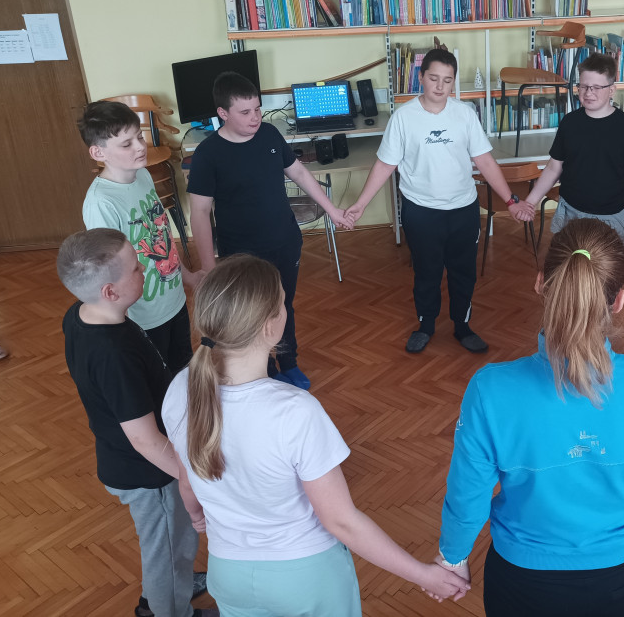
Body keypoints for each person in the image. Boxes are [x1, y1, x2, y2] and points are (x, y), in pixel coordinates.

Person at [160, 254, 469, 616]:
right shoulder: (295, 411)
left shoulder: (181, 388)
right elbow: (341, 521)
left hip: (228, 573)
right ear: (269, 327)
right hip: (305, 578)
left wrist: (197, 515)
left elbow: (187, 482)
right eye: (282, 302)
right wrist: (423, 575)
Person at [437, 219, 624, 617]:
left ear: (541, 284)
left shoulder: (489, 389)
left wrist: (453, 556)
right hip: (618, 581)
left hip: (521, 582)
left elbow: (468, 491)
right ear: (618, 300)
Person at [57, 228, 214, 617]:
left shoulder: (80, 314)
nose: (144, 268)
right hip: (150, 475)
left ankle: (171, 588)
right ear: (110, 291)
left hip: (129, 459)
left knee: (170, 550)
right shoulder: (114, 355)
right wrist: (189, 476)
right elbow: (144, 439)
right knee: (168, 552)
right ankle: (168, 609)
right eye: (135, 268)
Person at [344, 49, 519, 355]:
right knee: (427, 273)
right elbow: (386, 164)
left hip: (463, 209)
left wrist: (510, 199)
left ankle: (462, 326)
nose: (440, 86)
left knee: (463, 273)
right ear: (421, 77)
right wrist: (360, 204)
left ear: (453, 83)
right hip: (421, 211)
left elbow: (485, 161)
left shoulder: (465, 114)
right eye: (434, 78)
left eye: (447, 80)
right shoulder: (403, 117)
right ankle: (425, 325)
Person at [187, 72, 348, 390]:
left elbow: (299, 173)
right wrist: (209, 267)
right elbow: (200, 213)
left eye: (258, 109)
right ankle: (265, 369)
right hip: (241, 253)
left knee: (283, 305)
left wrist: (332, 211)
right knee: (251, 313)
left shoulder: (270, 135)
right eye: (245, 112)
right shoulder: (208, 154)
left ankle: (289, 363)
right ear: (223, 113)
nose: (255, 117)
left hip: (285, 242)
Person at [79, 100, 198, 376]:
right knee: (159, 383)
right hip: (143, 317)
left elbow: (161, 236)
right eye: (126, 144)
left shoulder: (143, 175)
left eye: (139, 137)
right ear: (98, 152)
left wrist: (187, 276)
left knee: (184, 372)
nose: (140, 147)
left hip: (174, 300)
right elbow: (107, 271)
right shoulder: (101, 203)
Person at [514, 52, 624, 251]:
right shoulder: (569, 122)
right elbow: (553, 168)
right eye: (583, 86)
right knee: (570, 264)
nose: (588, 93)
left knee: (608, 268)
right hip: (571, 212)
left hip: (610, 216)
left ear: (612, 90)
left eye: (596, 87)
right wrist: (530, 203)